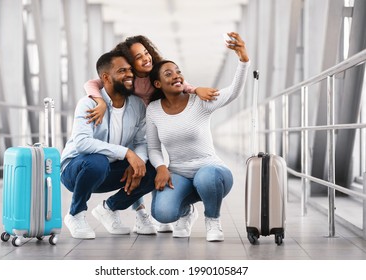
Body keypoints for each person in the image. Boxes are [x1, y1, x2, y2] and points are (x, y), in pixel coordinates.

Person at [83, 35, 219, 233]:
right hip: (136, 129)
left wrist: (197, 90)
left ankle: (171, 209)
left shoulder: (157, 72)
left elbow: (183, 84)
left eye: (146, 52)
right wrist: (100, 102)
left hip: (160, 125)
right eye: (139, 57)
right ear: (129, 63)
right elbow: (91, 83)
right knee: (137, 167)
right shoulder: (127, 77)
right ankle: (140, 214)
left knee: (158, 165)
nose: (146, 58)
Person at [146, 32, 250, 242]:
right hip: (179, 174)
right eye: (168, 74)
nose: (176, 75)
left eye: (178, 71)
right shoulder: (153, 110)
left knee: (205, 178)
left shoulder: (199, 101)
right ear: (157, 84)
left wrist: (243, 60)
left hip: (213, 172)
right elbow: (154, 148)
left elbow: (233, 92)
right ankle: (186, 211)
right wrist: (161, 167)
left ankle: (213, 220)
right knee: (162, 214)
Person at [60, 49, 156, 239]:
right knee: (97, 161)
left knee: (152, 168)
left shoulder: (137, 106)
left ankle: (110, 208)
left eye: (130, 70)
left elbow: (141, 141)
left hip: (110, 170)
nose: (129, 74)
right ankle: (75, 214)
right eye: (122, 71)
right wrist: (126, 153)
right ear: (105, 77)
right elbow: (82, 143)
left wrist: (137, 161)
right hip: (75, 169)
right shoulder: (88, 104)